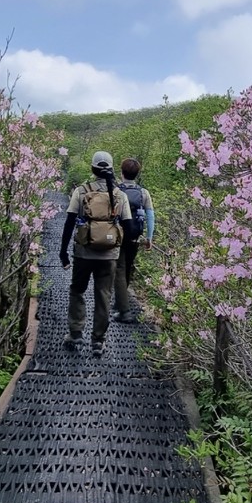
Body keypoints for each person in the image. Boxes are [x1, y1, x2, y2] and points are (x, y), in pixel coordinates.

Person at [59, 151, 133, 357]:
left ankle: (75, 333)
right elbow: (129, 227)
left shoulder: (81, 192)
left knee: (77, 290)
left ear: (92, 169)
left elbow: (69, 223)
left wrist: (63, 252)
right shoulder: (120, 195)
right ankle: (98, 341)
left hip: (83, 253)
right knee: (103, 295)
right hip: (109, 255)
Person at [112, 158, 155, 324]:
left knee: (120, 269)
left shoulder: (116, 191)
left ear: (121, 172)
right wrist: (149, 237)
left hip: (118, 235)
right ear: (137, 174)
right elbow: (150, 215)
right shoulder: (144, 193)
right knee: (128, 268)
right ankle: (120, 302)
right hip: (135, 236)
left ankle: (124, 310)